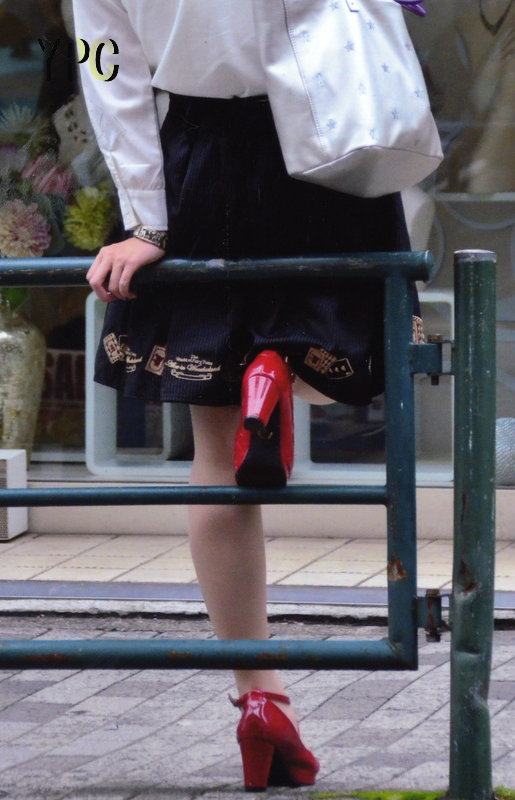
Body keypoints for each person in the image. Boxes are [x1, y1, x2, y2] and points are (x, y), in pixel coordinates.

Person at [72, 0, 420, 791]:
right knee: (330, 345)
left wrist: (146, 223)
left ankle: (258, 694)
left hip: (198, 162)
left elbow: (110, 76)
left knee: (214, 450)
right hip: (327, 139)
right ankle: (275, 372)